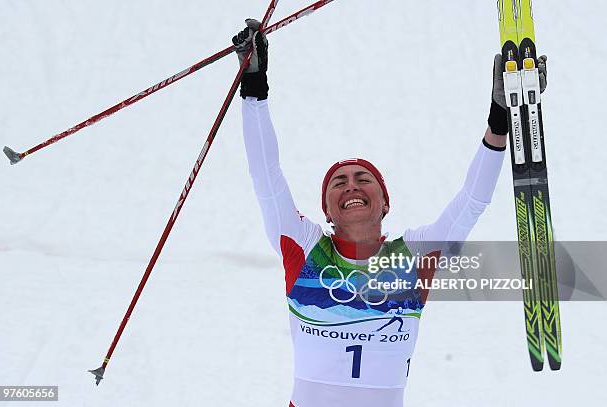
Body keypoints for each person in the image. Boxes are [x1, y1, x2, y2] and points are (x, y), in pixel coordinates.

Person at [233, 19, 546, 407]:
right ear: (327, 211)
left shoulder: (413, 257)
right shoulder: (305, 247)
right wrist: (254, 88)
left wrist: (499, 122)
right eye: (338, 182)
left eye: (363, 179)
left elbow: (472, 203)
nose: (351, 185)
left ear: (384, 202)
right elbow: (266, 176)